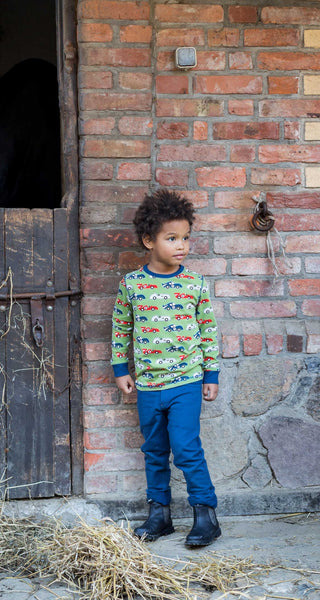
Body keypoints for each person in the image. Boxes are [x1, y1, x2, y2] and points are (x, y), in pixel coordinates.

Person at [111, 188, 221, 547]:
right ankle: (160, 514)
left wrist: (211, 374)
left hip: (187, 382)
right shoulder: (132, 285)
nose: (181, 245)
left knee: (187, 448)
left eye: (186, 237)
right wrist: (120, 369)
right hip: (147, 386)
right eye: (171, 238)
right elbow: (121, 328)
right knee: (154, 450)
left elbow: (208, 331)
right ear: (149, 240)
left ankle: (206, 515)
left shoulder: (194, 284)